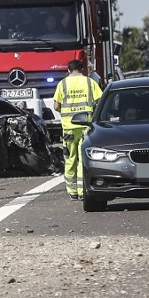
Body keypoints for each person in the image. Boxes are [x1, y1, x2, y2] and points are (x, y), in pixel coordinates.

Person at [53, 59, 102, 200]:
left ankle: (72, 191)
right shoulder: (89, 82)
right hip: (86, 127)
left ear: (68, 70)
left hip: (69, 128)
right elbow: (100, 101)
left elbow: (56, 106)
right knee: (83, 159)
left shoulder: (62, 84)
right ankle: (82, 191)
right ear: (82, 69)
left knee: (70, 159)